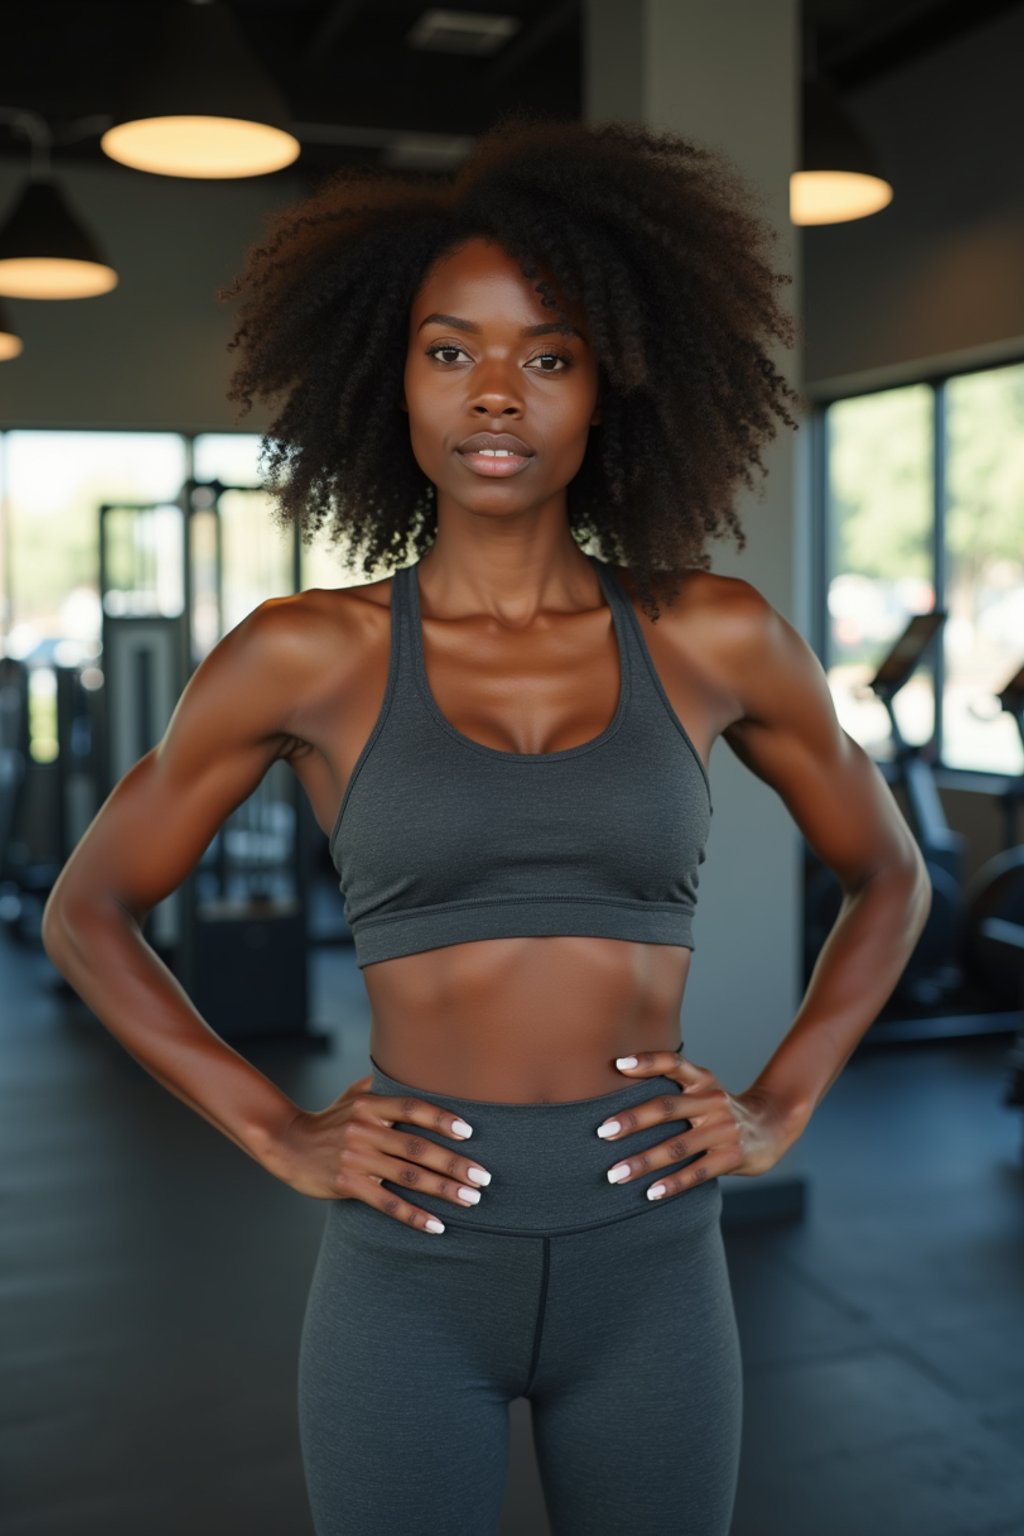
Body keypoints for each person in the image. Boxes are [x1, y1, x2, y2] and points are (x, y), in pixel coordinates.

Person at [42, 114, 931, 1536]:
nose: (496, 396)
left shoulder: (711, 632)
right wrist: (277, 1133)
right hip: (411, 1263)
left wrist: (784, 1100)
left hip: (654, 1257)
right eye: (451, 350)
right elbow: (87, 911)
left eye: (549, 354)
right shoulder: (304, 653)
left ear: (611, 387)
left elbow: (887, 870)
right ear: (390, 379)